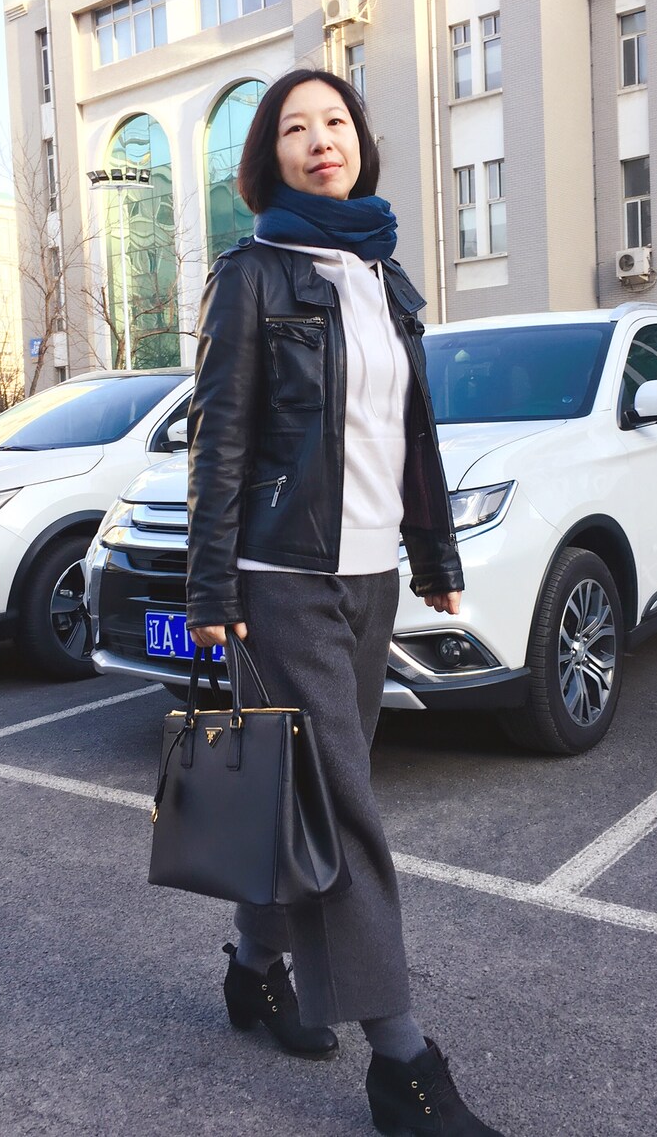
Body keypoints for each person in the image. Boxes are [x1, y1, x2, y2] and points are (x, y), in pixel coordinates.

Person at [186, 68, 503, 1136]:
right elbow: (218, 438)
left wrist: (432, 550)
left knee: (301, 798)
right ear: (269, 156)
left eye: (334, 121)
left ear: (360, 141)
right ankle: (402, 1061)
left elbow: (410, 432)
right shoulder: (252, 274)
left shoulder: (382, 274)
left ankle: (254, 967)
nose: (319, 138)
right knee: (345, 810)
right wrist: (209, 583)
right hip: (283, 578)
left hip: (369, 575)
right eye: (294, 126)